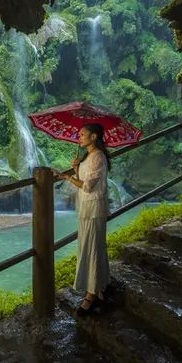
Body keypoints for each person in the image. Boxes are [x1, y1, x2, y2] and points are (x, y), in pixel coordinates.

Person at [57, 123, 111, 315]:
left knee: (93, 248)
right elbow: (86, 179)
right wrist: (76, 167)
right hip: (87, 208)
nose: (79, 137)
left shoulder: (98, 157)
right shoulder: (89, 157)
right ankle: (101, 284)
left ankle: (91, 294)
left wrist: (67, 177)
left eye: (82, 134)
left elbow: (87, 186)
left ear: (94, 136)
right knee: (91, 247)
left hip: (94, 208)